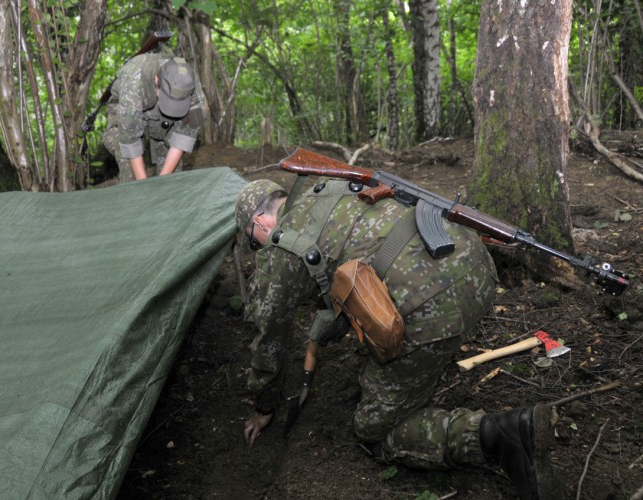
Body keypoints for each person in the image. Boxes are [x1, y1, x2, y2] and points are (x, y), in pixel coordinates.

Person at [234, 176, 557, 500]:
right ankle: (420, 366)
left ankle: (502, 436)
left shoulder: (279, 249)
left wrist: (264, 405)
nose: (257, 248)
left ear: (261, 222)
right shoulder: (331, 190)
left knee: (373, 429)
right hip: (477, 266)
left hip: (435, 305)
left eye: (252, 241)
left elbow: (269, 340)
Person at [103, 52, 205, 183]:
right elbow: (130, 140)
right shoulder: (134, 82)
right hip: (127, 113)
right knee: (129, 168)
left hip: (162, 120)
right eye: (169, 101)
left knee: (171, 178)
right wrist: (144, 186)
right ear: (156, 80)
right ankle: (133, 200)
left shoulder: (190, 84)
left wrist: (162, 181)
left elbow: (183, 137)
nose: (172, 109)